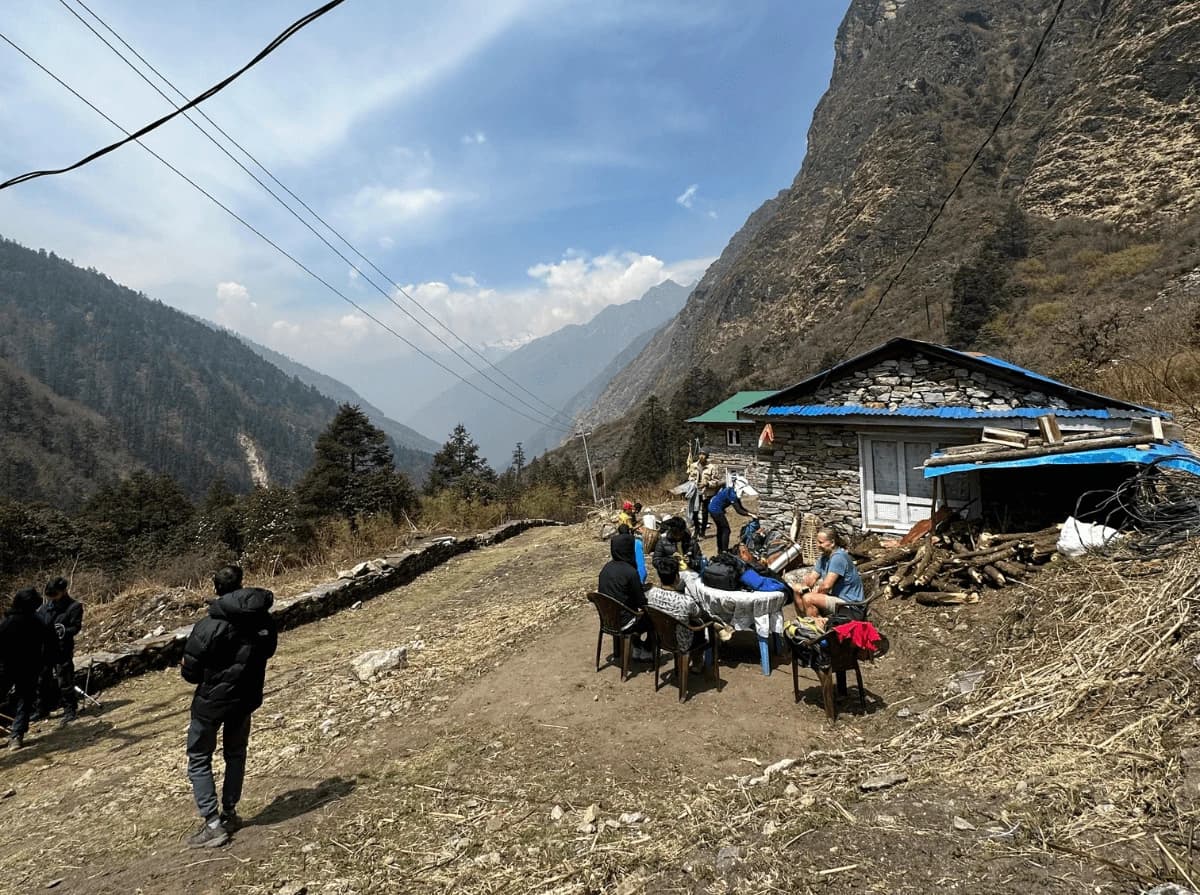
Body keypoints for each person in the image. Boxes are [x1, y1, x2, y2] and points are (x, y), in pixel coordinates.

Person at [181, 565, 278, 848]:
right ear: (241, 585)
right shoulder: (263, 620)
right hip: (245, 697)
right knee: (235, 753)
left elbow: (190, 673)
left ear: (216, 589)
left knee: (199, 758)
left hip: (211, 703)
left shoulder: (209, 625)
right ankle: (230, 812)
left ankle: (212, 824)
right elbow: (268, 651)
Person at [0, 588, 56, 750]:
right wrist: (46, 664)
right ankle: (16, 736)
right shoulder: (41, 621)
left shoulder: (8, 622)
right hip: (30, 668)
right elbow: (51, 645)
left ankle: (16, 735)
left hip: (7, 668)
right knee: (24, 702)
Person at [36, 577, 84, 726]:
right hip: (44, 650)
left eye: (54, 594)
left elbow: (76, 627)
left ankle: (70, 709)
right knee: (42, 680)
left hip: (62, 649)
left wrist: (64, 631)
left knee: (65, 680)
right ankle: (42, 709)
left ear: (63, 592)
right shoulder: (44, 608)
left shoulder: (74, 606)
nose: (51, 597)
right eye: (48, 595)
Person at [598, 533, 653, 661]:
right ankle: (647, 651)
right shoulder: (630, 572)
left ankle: (634, 645)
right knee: (653, 618)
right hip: (625, 622)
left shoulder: (606, 568)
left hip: (608, 619)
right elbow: (641, 602)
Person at [798, 528, 866, 618]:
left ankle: (815, 627)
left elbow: (827, 586)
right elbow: (812, 578)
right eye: (817, 542)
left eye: (821, 542)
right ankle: (804, 621)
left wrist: (816, 592)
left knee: (808, 598)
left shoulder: (838, 557)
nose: (818, 545)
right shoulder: (824, 558)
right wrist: (804, 585)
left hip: (849, 604)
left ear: (832, 543)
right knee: (797, 589)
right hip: (836, 599)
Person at [707, 480, 755, 555]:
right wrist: (750, 514)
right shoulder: (732, 494)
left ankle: (720, 550)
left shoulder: (732, 491)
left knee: (721, 530)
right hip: (715, 510)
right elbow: (739, 510)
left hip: (713, 508)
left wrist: (751, 513)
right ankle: (724, 551)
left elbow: (741, 507)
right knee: (726, 530)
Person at [652, 516, 702, 585]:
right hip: (672, 576)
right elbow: (656, 561)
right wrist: (670, 561)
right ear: (671, 531)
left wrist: (691, 562)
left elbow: (700, 560)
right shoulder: (662, 542)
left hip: (691, 574)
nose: (678, 536)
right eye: (675, 534)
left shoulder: (691, 542)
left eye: (680, 534)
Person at [689, 453, 720, 536]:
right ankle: (696, 529)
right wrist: (693, 481)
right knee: (694, 511)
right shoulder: (693, 465)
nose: (701, 456)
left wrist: (707, 484)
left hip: (707, 492)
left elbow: (716, 482)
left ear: (707, 457)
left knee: (705, 512)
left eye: (703, 455)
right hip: (696, 491)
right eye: (700, 454)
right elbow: (690, 477)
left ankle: (702, 531)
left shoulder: (712, 467)